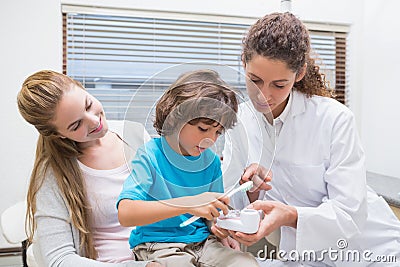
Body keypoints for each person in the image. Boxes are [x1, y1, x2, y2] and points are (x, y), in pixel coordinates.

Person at [217, 12, 400, 266]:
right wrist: (252, 193)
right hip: (303, 255)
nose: (263, 96)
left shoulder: (335, 119)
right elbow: (232, 199)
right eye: (254, 80)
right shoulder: (240, 123)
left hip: (371, 250)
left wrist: (290, 215)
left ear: (299, 73)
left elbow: (350, 215)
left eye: (279, 85)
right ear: (243, 64)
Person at [17, 70, 163, 267]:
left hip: (160, 253)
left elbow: (166, 200)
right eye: (76, 125)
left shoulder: (133, 133)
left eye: (88, 105)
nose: (94, 121)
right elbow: (59, 259)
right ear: (58, 134)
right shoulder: (53, 173)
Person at [117, 69, 259, 266]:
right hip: (159, 244)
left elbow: (212, 214)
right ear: (176, 117)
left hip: (203, 243)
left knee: (245, 263)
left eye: (218, 132)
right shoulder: (150, 155)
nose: (210, 139)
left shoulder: (211, 161)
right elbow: (126, 214)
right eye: (203, 128)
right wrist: (190, 203)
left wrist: (219, 228)